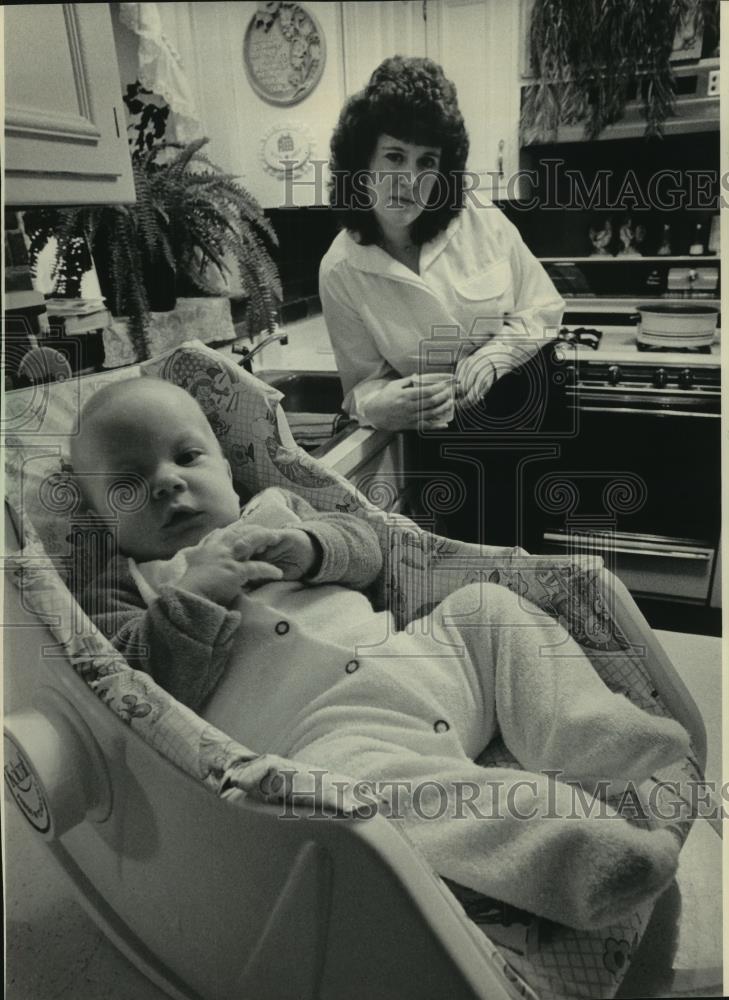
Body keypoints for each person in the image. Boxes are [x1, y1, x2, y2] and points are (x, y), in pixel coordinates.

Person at [73, 376, 689, 931]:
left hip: (419, 662)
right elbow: (137, 688)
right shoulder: (129, 583)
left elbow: (368, 551)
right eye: (129, 485)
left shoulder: (276, 511)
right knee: (370, 801)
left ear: (229, 471)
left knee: (485, 607)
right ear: (104, 520)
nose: (167, 483)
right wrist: (193, 596)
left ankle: (586, 734)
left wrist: (308, 548)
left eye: (186, 457)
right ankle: (578, 855)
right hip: (325, 737)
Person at [319, 56, 565, 541]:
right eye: (393, 156)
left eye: (426, 162)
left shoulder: (480, 221)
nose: (409, 179)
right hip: (444, 440)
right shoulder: (341, 270)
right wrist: (377, 406)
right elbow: (361, 387)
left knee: (528, 554)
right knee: (464, 558)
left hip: (525, 414)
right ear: (361, 162)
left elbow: (543, 308)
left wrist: (495, 357)